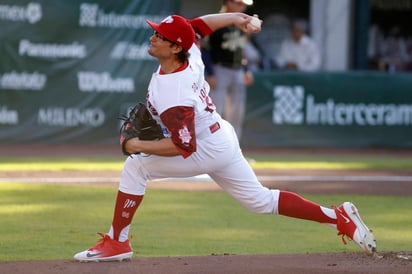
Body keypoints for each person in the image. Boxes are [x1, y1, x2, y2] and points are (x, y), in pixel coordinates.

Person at [73, 12, 376, 262]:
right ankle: (339, 217)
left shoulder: (174, 91)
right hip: (221, 136)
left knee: (136, 166)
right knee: (260, 201)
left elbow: (184, 146)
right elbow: (198, 27)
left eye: (160, 36)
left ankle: (117, 242)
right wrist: (237, 17)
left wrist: (135, 145)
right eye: (156, 32)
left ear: (175, 47)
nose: (153, 37)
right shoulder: (188, 53)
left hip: (204, 146)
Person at [201, 0, 255, 140]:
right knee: (215, 111)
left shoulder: (242, 23)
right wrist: (210, 73)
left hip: (237, 70)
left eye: (243, 5)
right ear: (228, 3)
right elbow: (205, 49)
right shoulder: (215, 21)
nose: (242, 7)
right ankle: (212, 145)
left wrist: (246, 69)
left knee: (237, 113)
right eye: (239, 3)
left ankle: (234, 151)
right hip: (219, 69)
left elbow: (240, 50)